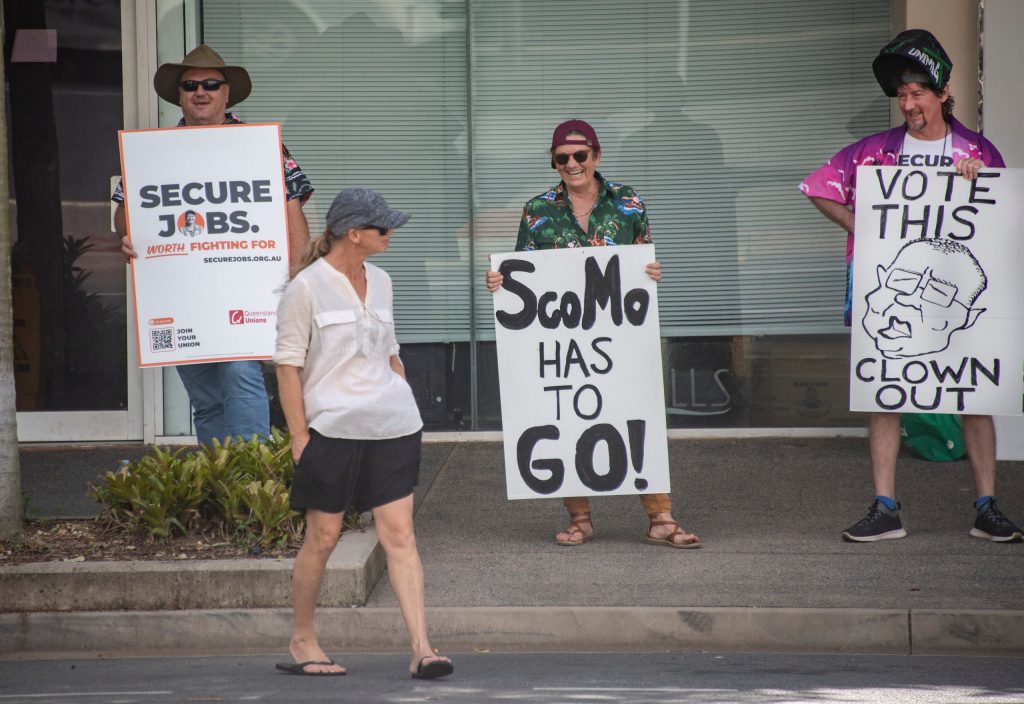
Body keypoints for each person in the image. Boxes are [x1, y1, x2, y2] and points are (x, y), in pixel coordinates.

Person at [800, 29, 1022, 543]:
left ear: (943, 93)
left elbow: (1003, 220)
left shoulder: (977, 151)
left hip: (957, 304)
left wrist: (980, 178)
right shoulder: (875, 153)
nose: (908, 104)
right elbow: (817, 185)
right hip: (890, 294)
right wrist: (866, 228)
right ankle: (885, 508)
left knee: (974, 395)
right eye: (901, 95)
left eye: (918, 93)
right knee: (885, 392)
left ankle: (987, 508)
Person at [486, 119, 700, 549]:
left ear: (596, 156)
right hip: (565, 341)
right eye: (562, 158)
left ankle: (660, 517)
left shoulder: (628, 202)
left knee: (635, 412)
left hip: (621, 338)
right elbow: (524, 275)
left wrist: (651, 273)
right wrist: (500, 283)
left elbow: (642, 259)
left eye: (580, 156)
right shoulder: (537, 210)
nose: (571, 164)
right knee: (566, 413)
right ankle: (579, 518)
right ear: (554, 162)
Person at [273, 187, 453, 679]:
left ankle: (422, 649)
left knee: (400, 534)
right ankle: (303, 638)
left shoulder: (383, 280)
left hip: (393, 425)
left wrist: (400, 390)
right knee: (323, 537)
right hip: (331, 428)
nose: (390, 233)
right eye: (382, 227)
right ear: (354, 233)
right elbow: (288, 366)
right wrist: (299, 437)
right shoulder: (305, 288)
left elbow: (390, 350)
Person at [112, 45, 314, 446]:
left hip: (245, 291)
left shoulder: (261, 146)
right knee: (205, 399)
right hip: (184, 297)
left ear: (227, 94)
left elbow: (292, 214)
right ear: (179, 95)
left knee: (241, 375)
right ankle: (220, 487)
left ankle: (252, 484)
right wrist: (128, 236)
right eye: (190, 85)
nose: (200, 92)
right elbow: (125, 212)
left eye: (210, 84)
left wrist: (297, 277)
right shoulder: (153, 154)